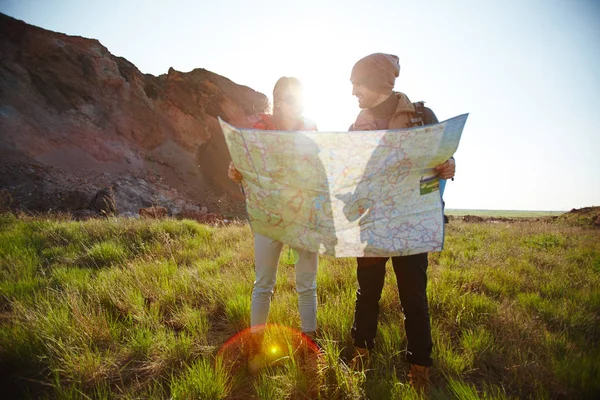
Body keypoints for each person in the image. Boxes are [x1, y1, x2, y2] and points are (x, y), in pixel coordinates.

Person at [347, 53, 456, 391]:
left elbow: (443, 158)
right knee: (367, 293)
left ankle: (419, 367)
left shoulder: (422, 116)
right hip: (373, 224)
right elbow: (350, 175)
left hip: (411, 223)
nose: (353, 93)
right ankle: (362, 352)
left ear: (378, 82)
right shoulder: (357, 125)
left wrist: (449, 165)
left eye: (357, 84)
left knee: (414, 298)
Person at [228, 77, 322, 372]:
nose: (292, 103)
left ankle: (310, 344)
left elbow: (320, 169)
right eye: (286, 97)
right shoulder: (259, 128)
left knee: (307, 285)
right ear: (276, 100)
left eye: (297, 98)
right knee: (264, 283)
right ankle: (256, 344)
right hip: (268, 219)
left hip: (304, 218)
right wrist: (236, 171)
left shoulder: (311, 129)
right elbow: (244, 167)